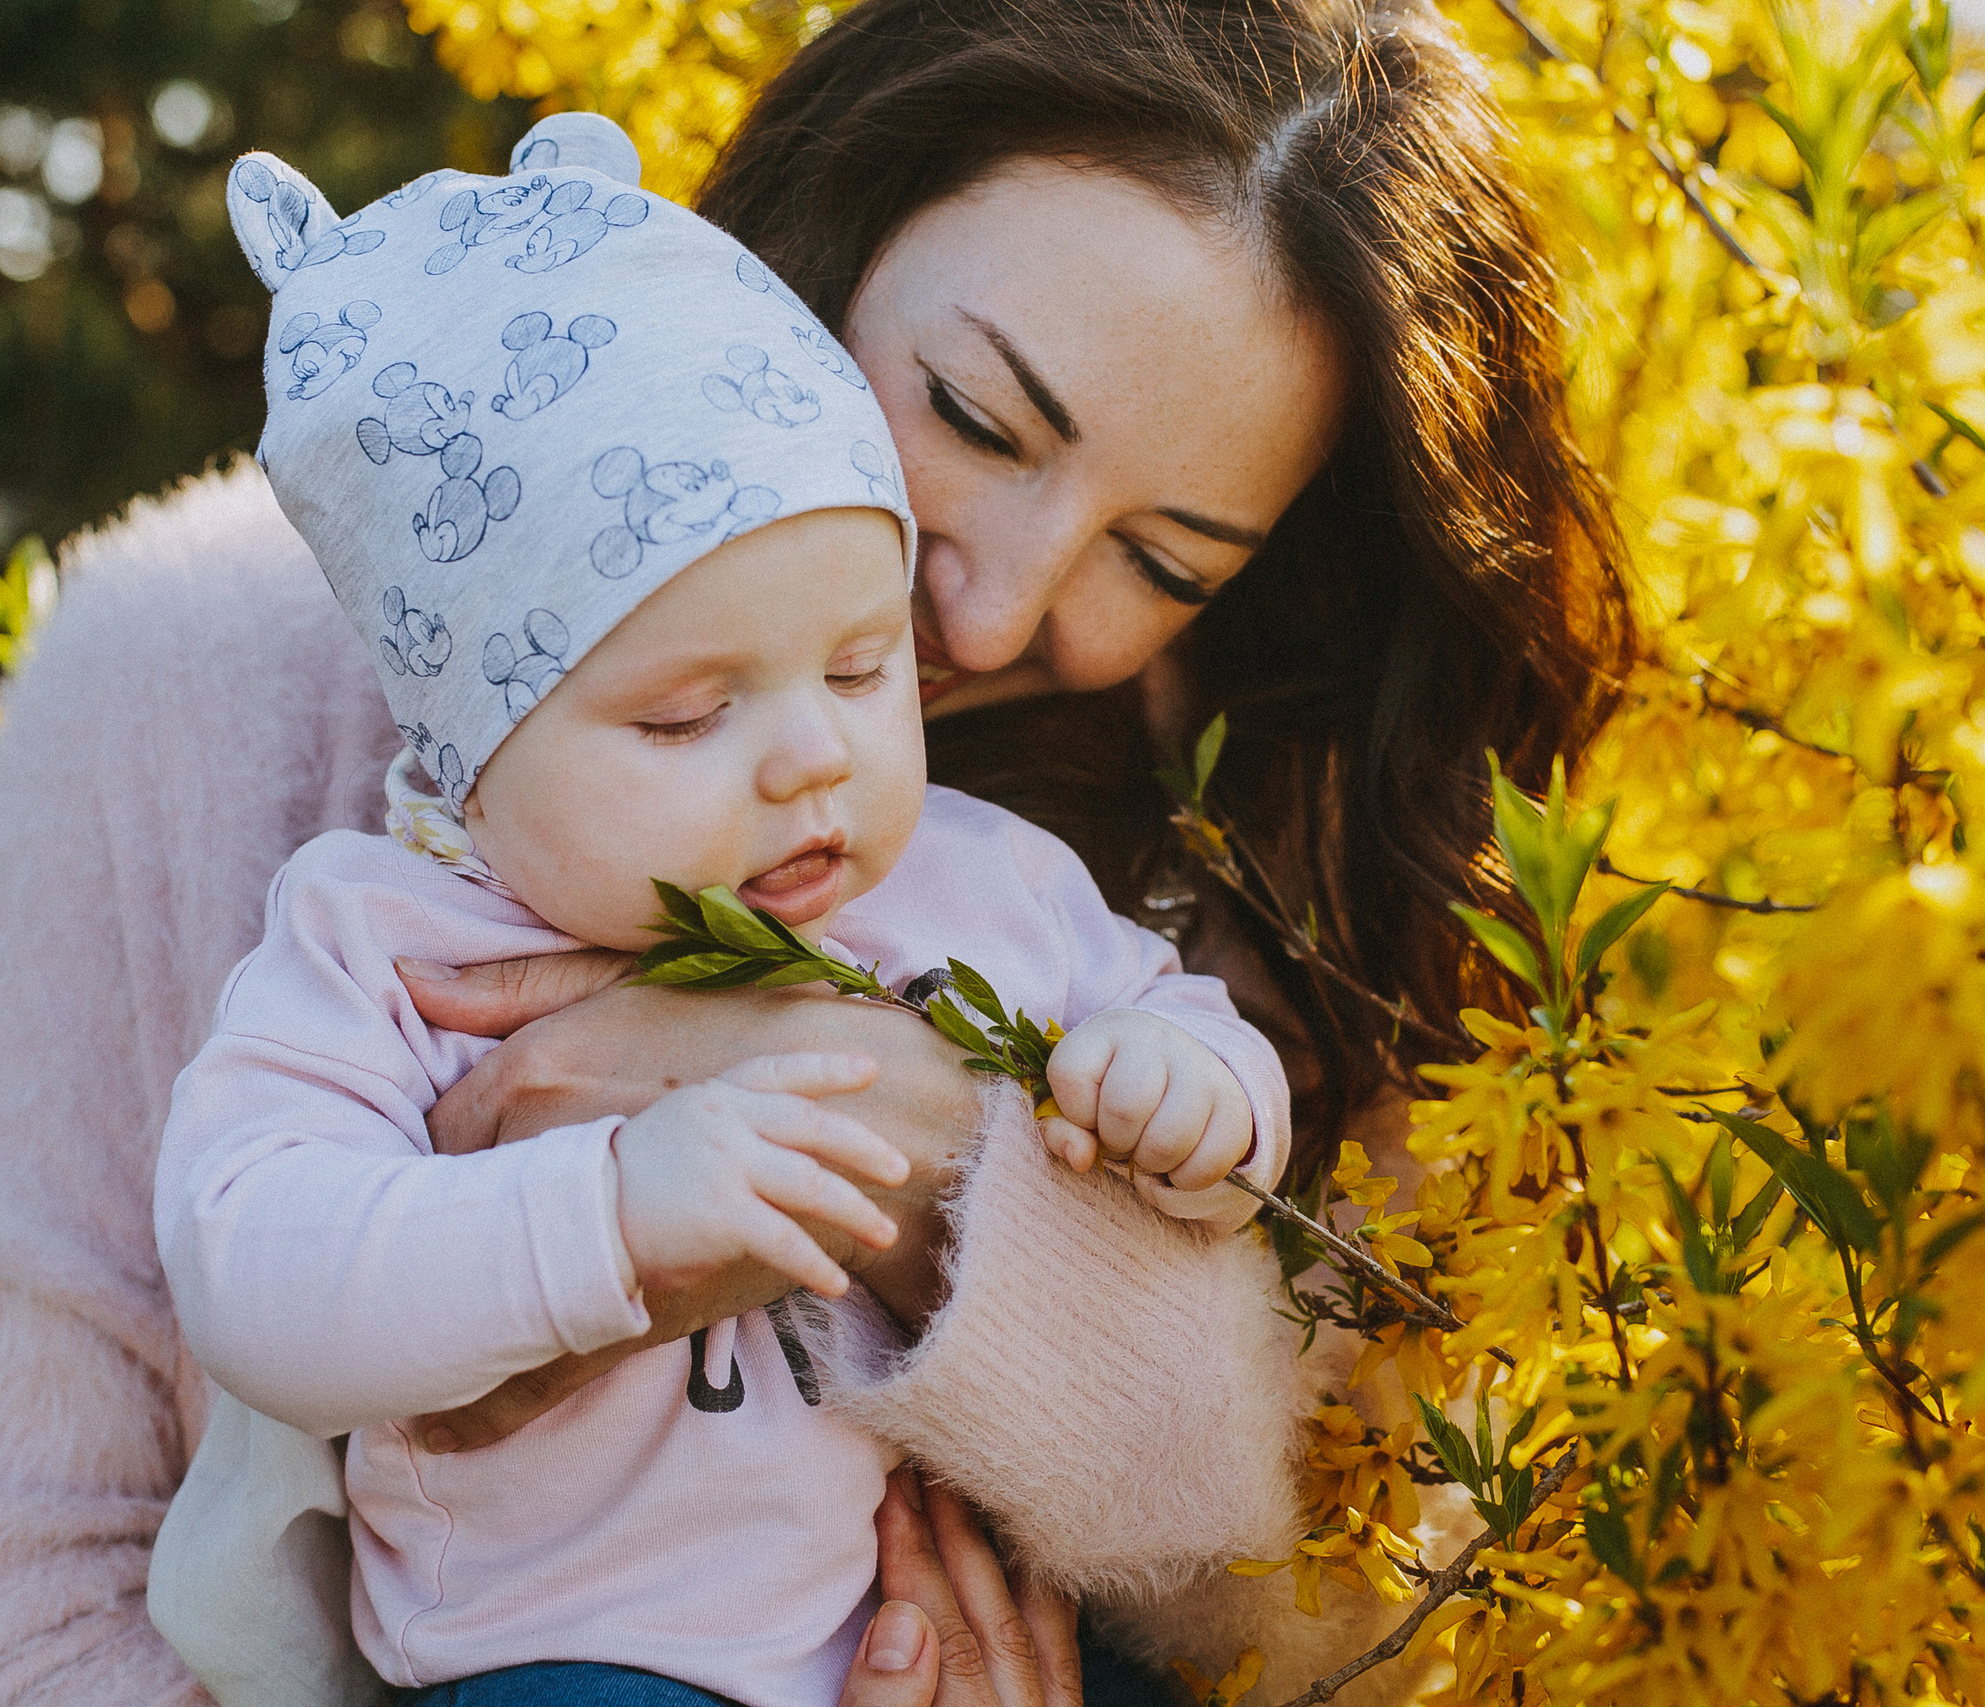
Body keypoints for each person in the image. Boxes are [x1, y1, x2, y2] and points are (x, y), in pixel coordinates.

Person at [0, 2, 1630, 1703]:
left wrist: (942, 1169)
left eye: (1164, 564)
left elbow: (1345, 1619)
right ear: (825, 229)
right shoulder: (189, 679)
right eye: (976, 416)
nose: (989, 613)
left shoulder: (1291, 843)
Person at [148, 119, 1287, 1707]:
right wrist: (606, 1216)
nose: (814, 758)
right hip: (579, 1662)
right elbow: (250, 1260)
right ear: (473, 759)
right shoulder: (387, 937)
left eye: (860, 668)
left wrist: (1197, 1092)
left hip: (931, 1642)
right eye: (688, 717)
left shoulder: (982, 874)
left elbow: (1171, 1019)